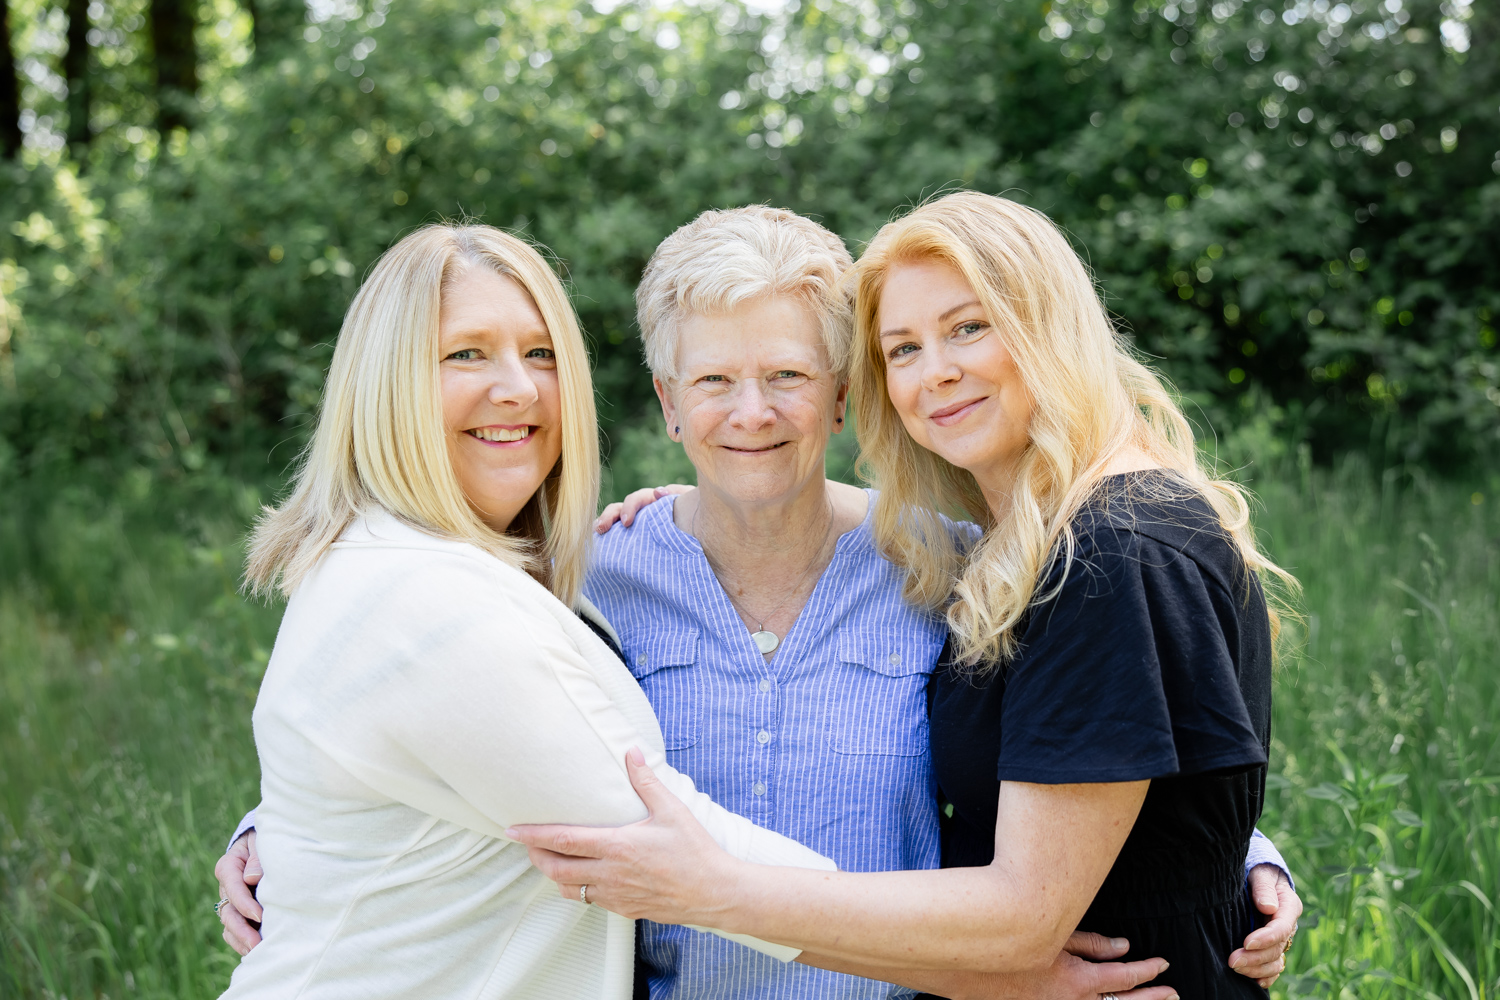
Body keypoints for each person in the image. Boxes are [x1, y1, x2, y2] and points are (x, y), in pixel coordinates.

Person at [216, 207, 1298, 998]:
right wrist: (277, 835)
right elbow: (439, 721)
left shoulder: (960, 568)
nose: (752, 414)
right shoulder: (584, 582)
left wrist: (1243, 857)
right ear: (666, 403)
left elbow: (1092, 739)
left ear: (841, 395)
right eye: (712, 382)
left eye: (787, 377)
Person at [214, 222, 839, 1000]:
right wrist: (966, 939)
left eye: (541, 353)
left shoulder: (436, 566)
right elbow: (680, 850)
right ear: (387, 385)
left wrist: (281, 830)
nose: (517, 388)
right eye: (466, 353)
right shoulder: (428, 601)